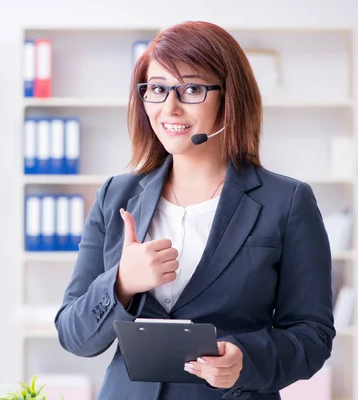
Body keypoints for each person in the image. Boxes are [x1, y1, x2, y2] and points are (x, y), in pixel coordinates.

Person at [54, 20, 335, 400]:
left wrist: (245, 361)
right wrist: (121, 283)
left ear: (229, 96)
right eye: (157, 89)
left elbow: (311, 335)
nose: (170, 107)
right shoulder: (115, 195)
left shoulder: (286, 201)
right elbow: (74, 336)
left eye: (191, 89)